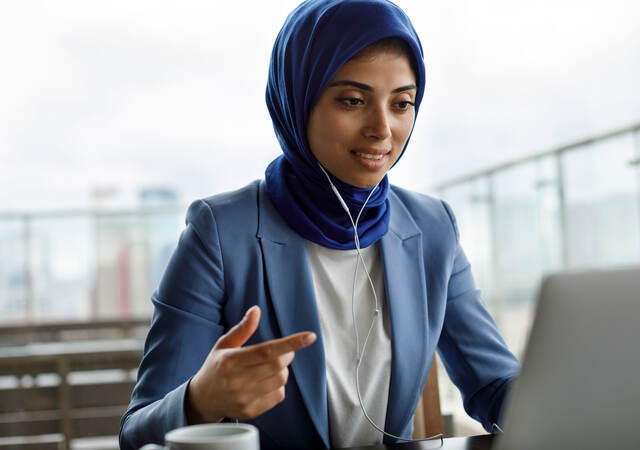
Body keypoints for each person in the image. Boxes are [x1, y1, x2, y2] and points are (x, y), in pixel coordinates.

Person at [119, 1, 520, 449]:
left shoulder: (433, 228)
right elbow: (135, 433)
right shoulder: (219, 233)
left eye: (402, 103)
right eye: (353, 101)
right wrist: (198, 400)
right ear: (298, 99)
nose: (382, 129)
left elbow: (494, 384)